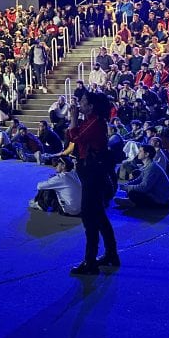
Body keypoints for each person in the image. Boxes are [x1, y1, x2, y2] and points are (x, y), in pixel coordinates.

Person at [60, 92, 119, 275]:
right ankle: (111, 254)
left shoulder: (95, 121)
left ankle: (90, 262)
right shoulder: (91, 120)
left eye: (83, 102)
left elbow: (75, 137)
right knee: (99, 215)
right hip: (91, 172)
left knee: (89, 216)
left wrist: (73, 118)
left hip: (93, 173)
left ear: (91, 105)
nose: (80, 104)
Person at [117, 144, 169, 208]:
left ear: (147, 154)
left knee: (133, 193)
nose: (138, 153)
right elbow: (139, 179)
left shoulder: (152, 168)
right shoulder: (148, 165)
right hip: (157, 196)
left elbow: (144, 187)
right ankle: (132, 201)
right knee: (133, 187)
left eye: (140, 151)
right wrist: (127, 184)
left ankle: (133, 203)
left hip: (162, 201)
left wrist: (127, 187)